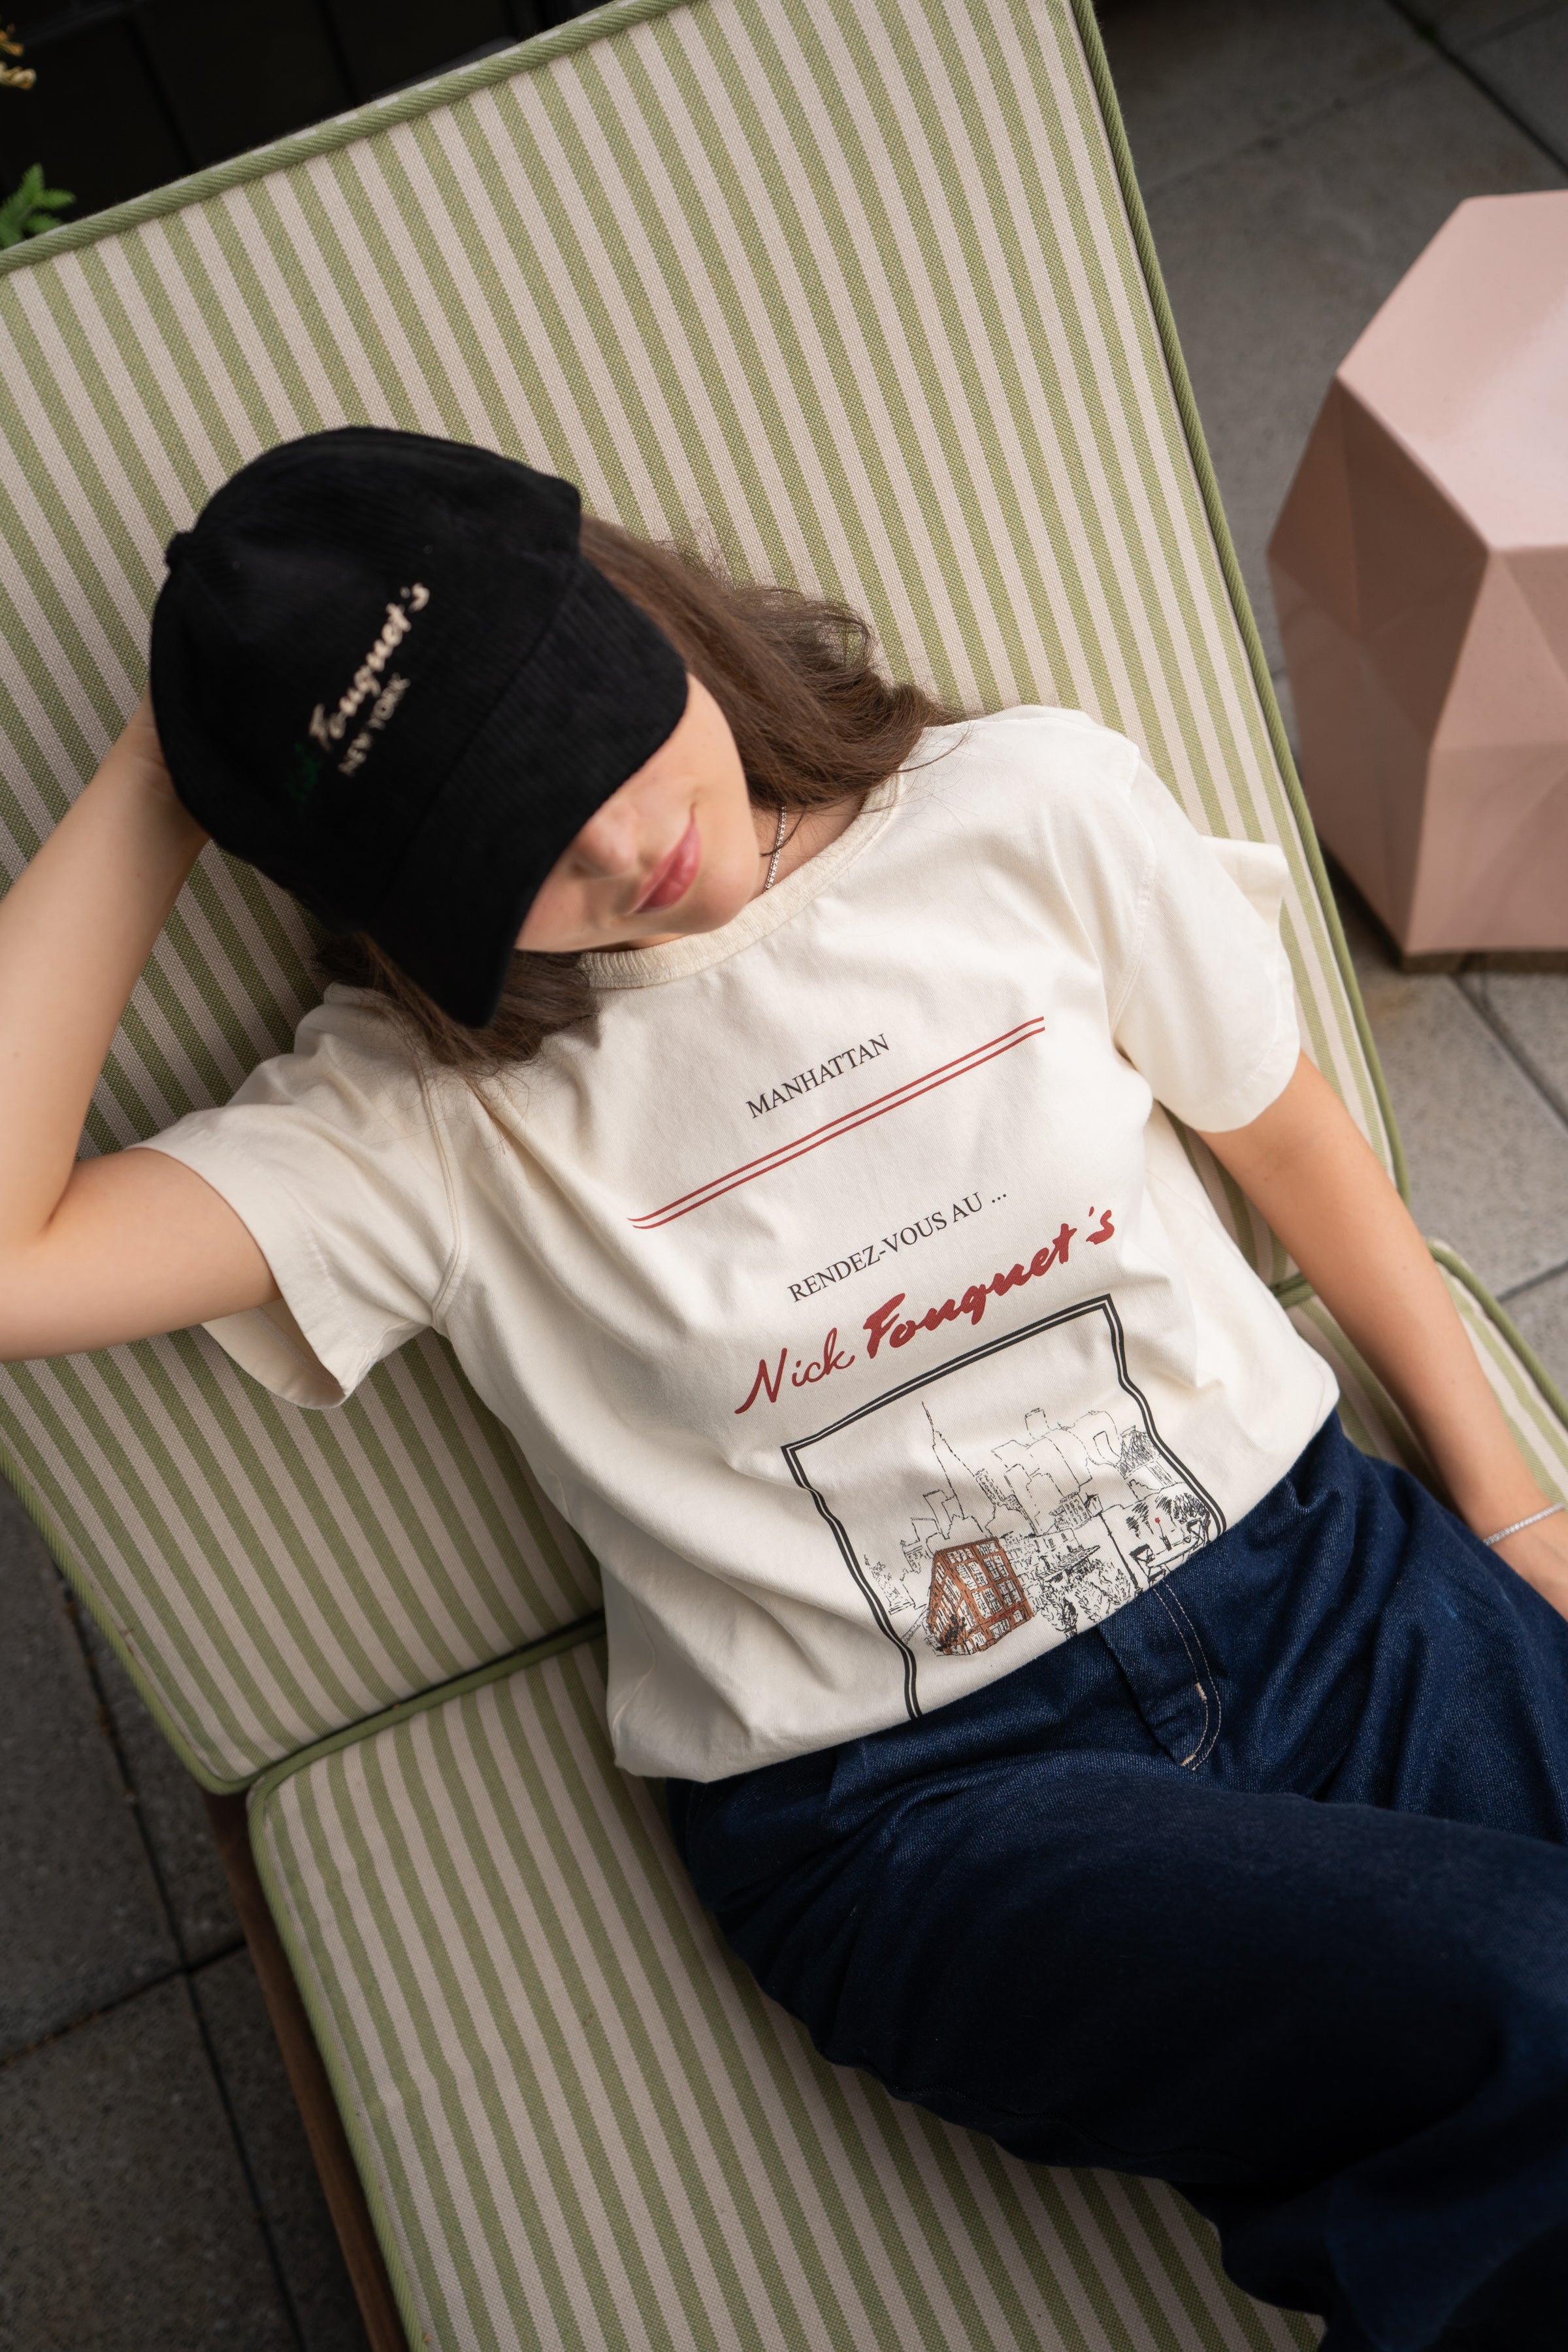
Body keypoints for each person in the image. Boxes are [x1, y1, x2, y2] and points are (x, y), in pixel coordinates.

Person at [2, 425, 1566, 2349]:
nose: (612, 847)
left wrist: (1511, 1513)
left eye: (578, 739)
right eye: (502, 854)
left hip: (1329, 1586)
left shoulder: (1030, 811)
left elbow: (1303, 1156)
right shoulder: (418, 1125)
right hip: (923, 1803)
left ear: (627, 604)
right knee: (1530, 1995)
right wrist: (189, 757)